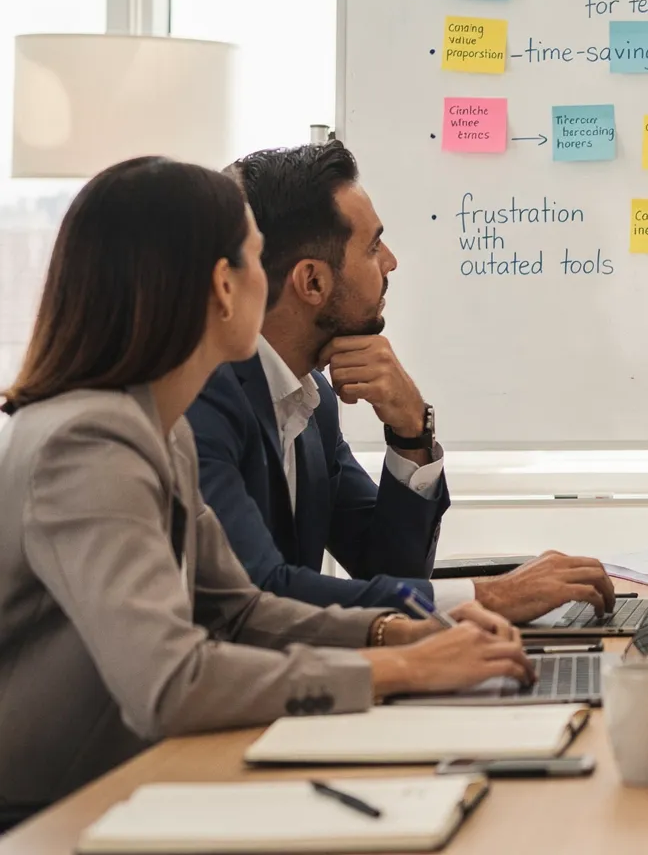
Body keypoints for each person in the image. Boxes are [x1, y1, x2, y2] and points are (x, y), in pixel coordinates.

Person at [0, 157, 533, 828]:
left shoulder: (157, 428)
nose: (270, 278)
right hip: (51, 814)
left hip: (138, 783)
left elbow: (242, 610)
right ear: (224, 288)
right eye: (256, 257)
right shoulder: (90, 442)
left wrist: (401, 632)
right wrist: (403, 668)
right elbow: (171, 680)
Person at [186, 142, 611, 622]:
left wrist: (412, 431)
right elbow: (257, 593)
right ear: (313, 283)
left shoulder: (311, 402)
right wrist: (489, 597)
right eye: (372, 247)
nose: (390, 262)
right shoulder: (204, 396)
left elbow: (389, 569)